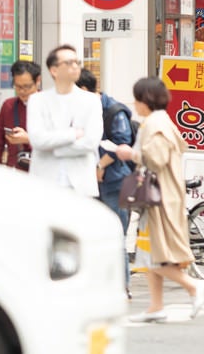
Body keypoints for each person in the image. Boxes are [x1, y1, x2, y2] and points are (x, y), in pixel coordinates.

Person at [111, 76, 204, 323]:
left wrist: (129, 153)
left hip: (160, 196)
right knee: (152, 251)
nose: (135, 104)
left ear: (146, 100)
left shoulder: (154, 123)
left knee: (154, 253)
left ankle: (193, 286)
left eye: (137, 98)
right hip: (161, 194)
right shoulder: (161, 120)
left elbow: (156, 158)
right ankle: (156, 306)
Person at [77, 68, 133, 293]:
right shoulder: (85, 110)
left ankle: (123, 287)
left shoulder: (113, 110)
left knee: (116, 235)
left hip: (114, 182)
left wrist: (101, 165)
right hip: (91, 182)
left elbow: (123, 142)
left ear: (83, 90)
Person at [26, 44, 103, 197]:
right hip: (45, 182)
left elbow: (91, 142)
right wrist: (73, 134)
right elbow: (37, 140)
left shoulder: (91, 101)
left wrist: (54, 148)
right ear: (53, 70)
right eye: (68, 63)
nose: (75, 66)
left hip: (80, 185)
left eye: (77, 62)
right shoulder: (37, 100)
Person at [0, 60, 40, 170]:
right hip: (14, 171)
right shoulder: (9, 106)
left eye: (27, 86)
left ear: (38, 81)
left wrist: (29, 139)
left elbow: (58, 143)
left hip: (42, 174)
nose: (22, 91)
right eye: (17, 86)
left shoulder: (49, 105)